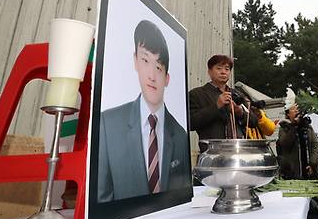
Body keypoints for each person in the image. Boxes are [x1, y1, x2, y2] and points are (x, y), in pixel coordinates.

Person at [98, 20, 191, 203]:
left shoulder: (180, 135)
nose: (151, 75)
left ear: (167, 78)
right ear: (135, 61)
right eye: (145, 60)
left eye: (158, 67)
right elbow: (102, 197)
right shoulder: (108, 124)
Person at [188, 55, 257, 140]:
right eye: (219, 68)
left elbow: (254, 122)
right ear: (209, 72)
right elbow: (191, 123)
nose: (223, 72)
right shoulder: (196, 94)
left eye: (227, 69)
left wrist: (240, 112)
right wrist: (216, 106)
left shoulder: (237, 94)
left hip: (239, 148)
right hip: (213, 150)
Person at [277, 104, 318, 179]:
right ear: (288, 114)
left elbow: (315, 146)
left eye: (297, 108)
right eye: (293, 109)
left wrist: (312, 164)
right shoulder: (284, 128)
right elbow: (285, 144)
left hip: (308, 171)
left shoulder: (307, 127)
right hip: (292, 173)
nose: (296, 110)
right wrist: (293, 126)